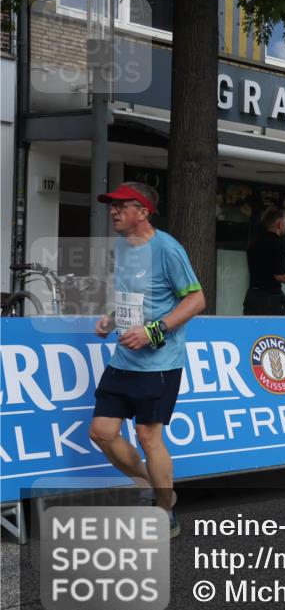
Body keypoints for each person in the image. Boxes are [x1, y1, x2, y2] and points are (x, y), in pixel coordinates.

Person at [88, 182, 206, 539]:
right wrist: (112, 317)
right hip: (123, 358)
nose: (113, 211)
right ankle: (148, 484)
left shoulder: (167, 249)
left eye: (121, 206)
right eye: (112, 206)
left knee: (147, 436)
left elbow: (197, 300)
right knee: (102, 432)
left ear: (143, 211)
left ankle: (166, 511)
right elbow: (137, 297)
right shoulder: (123, 248)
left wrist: (154, 331)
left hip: (159, 363)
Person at [243, 208, 285, 315]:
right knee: (279, 331)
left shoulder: (254, 243)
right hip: (270, 299)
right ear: (279, 224)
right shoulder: (277, 243)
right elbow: (279, 276)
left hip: (252, 296)